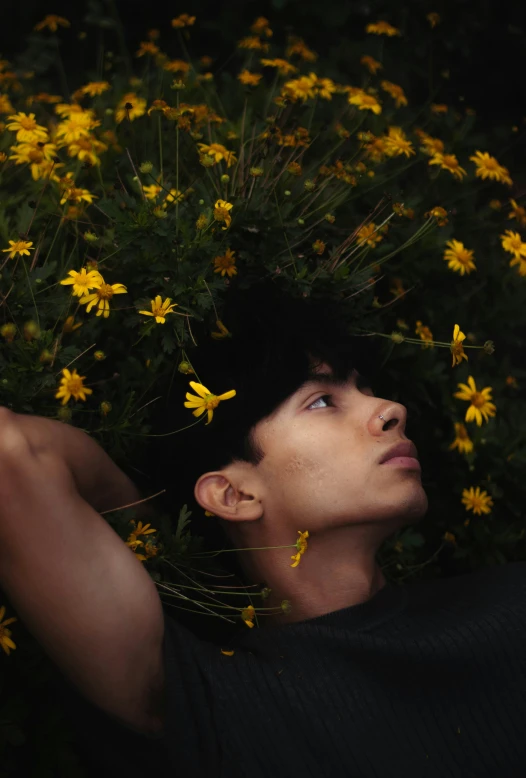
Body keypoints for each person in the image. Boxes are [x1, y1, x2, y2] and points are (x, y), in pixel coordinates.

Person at [0, 278, 525, 778]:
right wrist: (153, 532)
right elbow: (12, 455)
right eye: (322, 401)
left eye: (366, 389)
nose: (391, 410)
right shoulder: (212, 706)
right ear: (234, 494)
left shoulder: (508, 602)